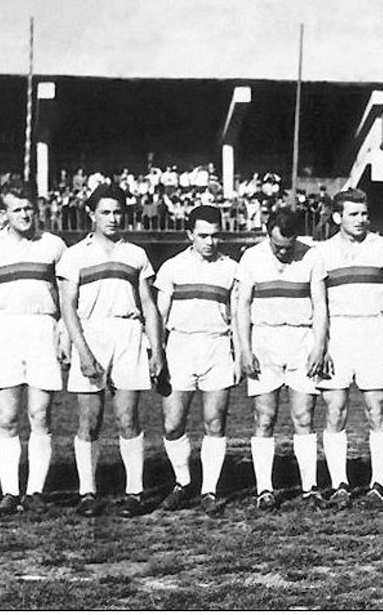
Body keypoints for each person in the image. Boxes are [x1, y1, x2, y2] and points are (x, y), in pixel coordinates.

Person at [57, 187, 165, 519]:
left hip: (128, 333)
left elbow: (148, 304)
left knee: (127, 418)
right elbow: (67, 306)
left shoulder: (135, 254)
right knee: (89, 421)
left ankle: (134, 492)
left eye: (117, 212)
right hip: (91, 333)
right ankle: (87, 492)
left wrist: (156, 350)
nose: (113, 218)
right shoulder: (75, 255)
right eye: (105, 212)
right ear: (91, 215)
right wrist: (82, 351)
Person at [0, 183, 67, 516]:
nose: (24, 215)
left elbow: (66, 296)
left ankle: (35, 491)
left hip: (43, 328)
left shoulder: (53, 245)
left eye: (29, 208)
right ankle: (10, 492)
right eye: (17, 209)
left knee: (40, 415)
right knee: (7, 418)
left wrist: (64, 335)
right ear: (4, 213)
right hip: (5, 330)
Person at [314, 189, 383, 508]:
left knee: (376, 407)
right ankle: (339, 484)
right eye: (353, 214)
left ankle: (379, 484)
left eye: (364, 213)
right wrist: (322, 344)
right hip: (338, 333)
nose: (360, 219)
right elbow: (319, 305)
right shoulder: (321, 252)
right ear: (337, 217)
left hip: (374, 331)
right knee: (335, 409)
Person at [235, 207, 328, 511]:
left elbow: (320, 305)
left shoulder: (312, 256)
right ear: (268, 234)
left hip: (301, 340)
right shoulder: (251, 258)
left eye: (289, 247)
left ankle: (310, 488)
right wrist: (245, 349)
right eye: (278, 246)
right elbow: (242, 306)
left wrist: (319, 346)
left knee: (304, 417)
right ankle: (265, 489)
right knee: (264, 418)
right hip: (265, 341)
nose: (284, 252)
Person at [154, 205, 240, 515]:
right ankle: (183, 482)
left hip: (217, 346)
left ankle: (209, 490)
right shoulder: (172, 267)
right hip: (180, 347)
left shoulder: (231, 268)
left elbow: (238, 316)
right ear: (189, 234)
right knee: (173, 424)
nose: (210, 242)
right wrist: (157, 353)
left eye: (215, 235)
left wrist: (239, 356)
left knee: (214, 422)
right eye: (203, 235)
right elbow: (159, 316)